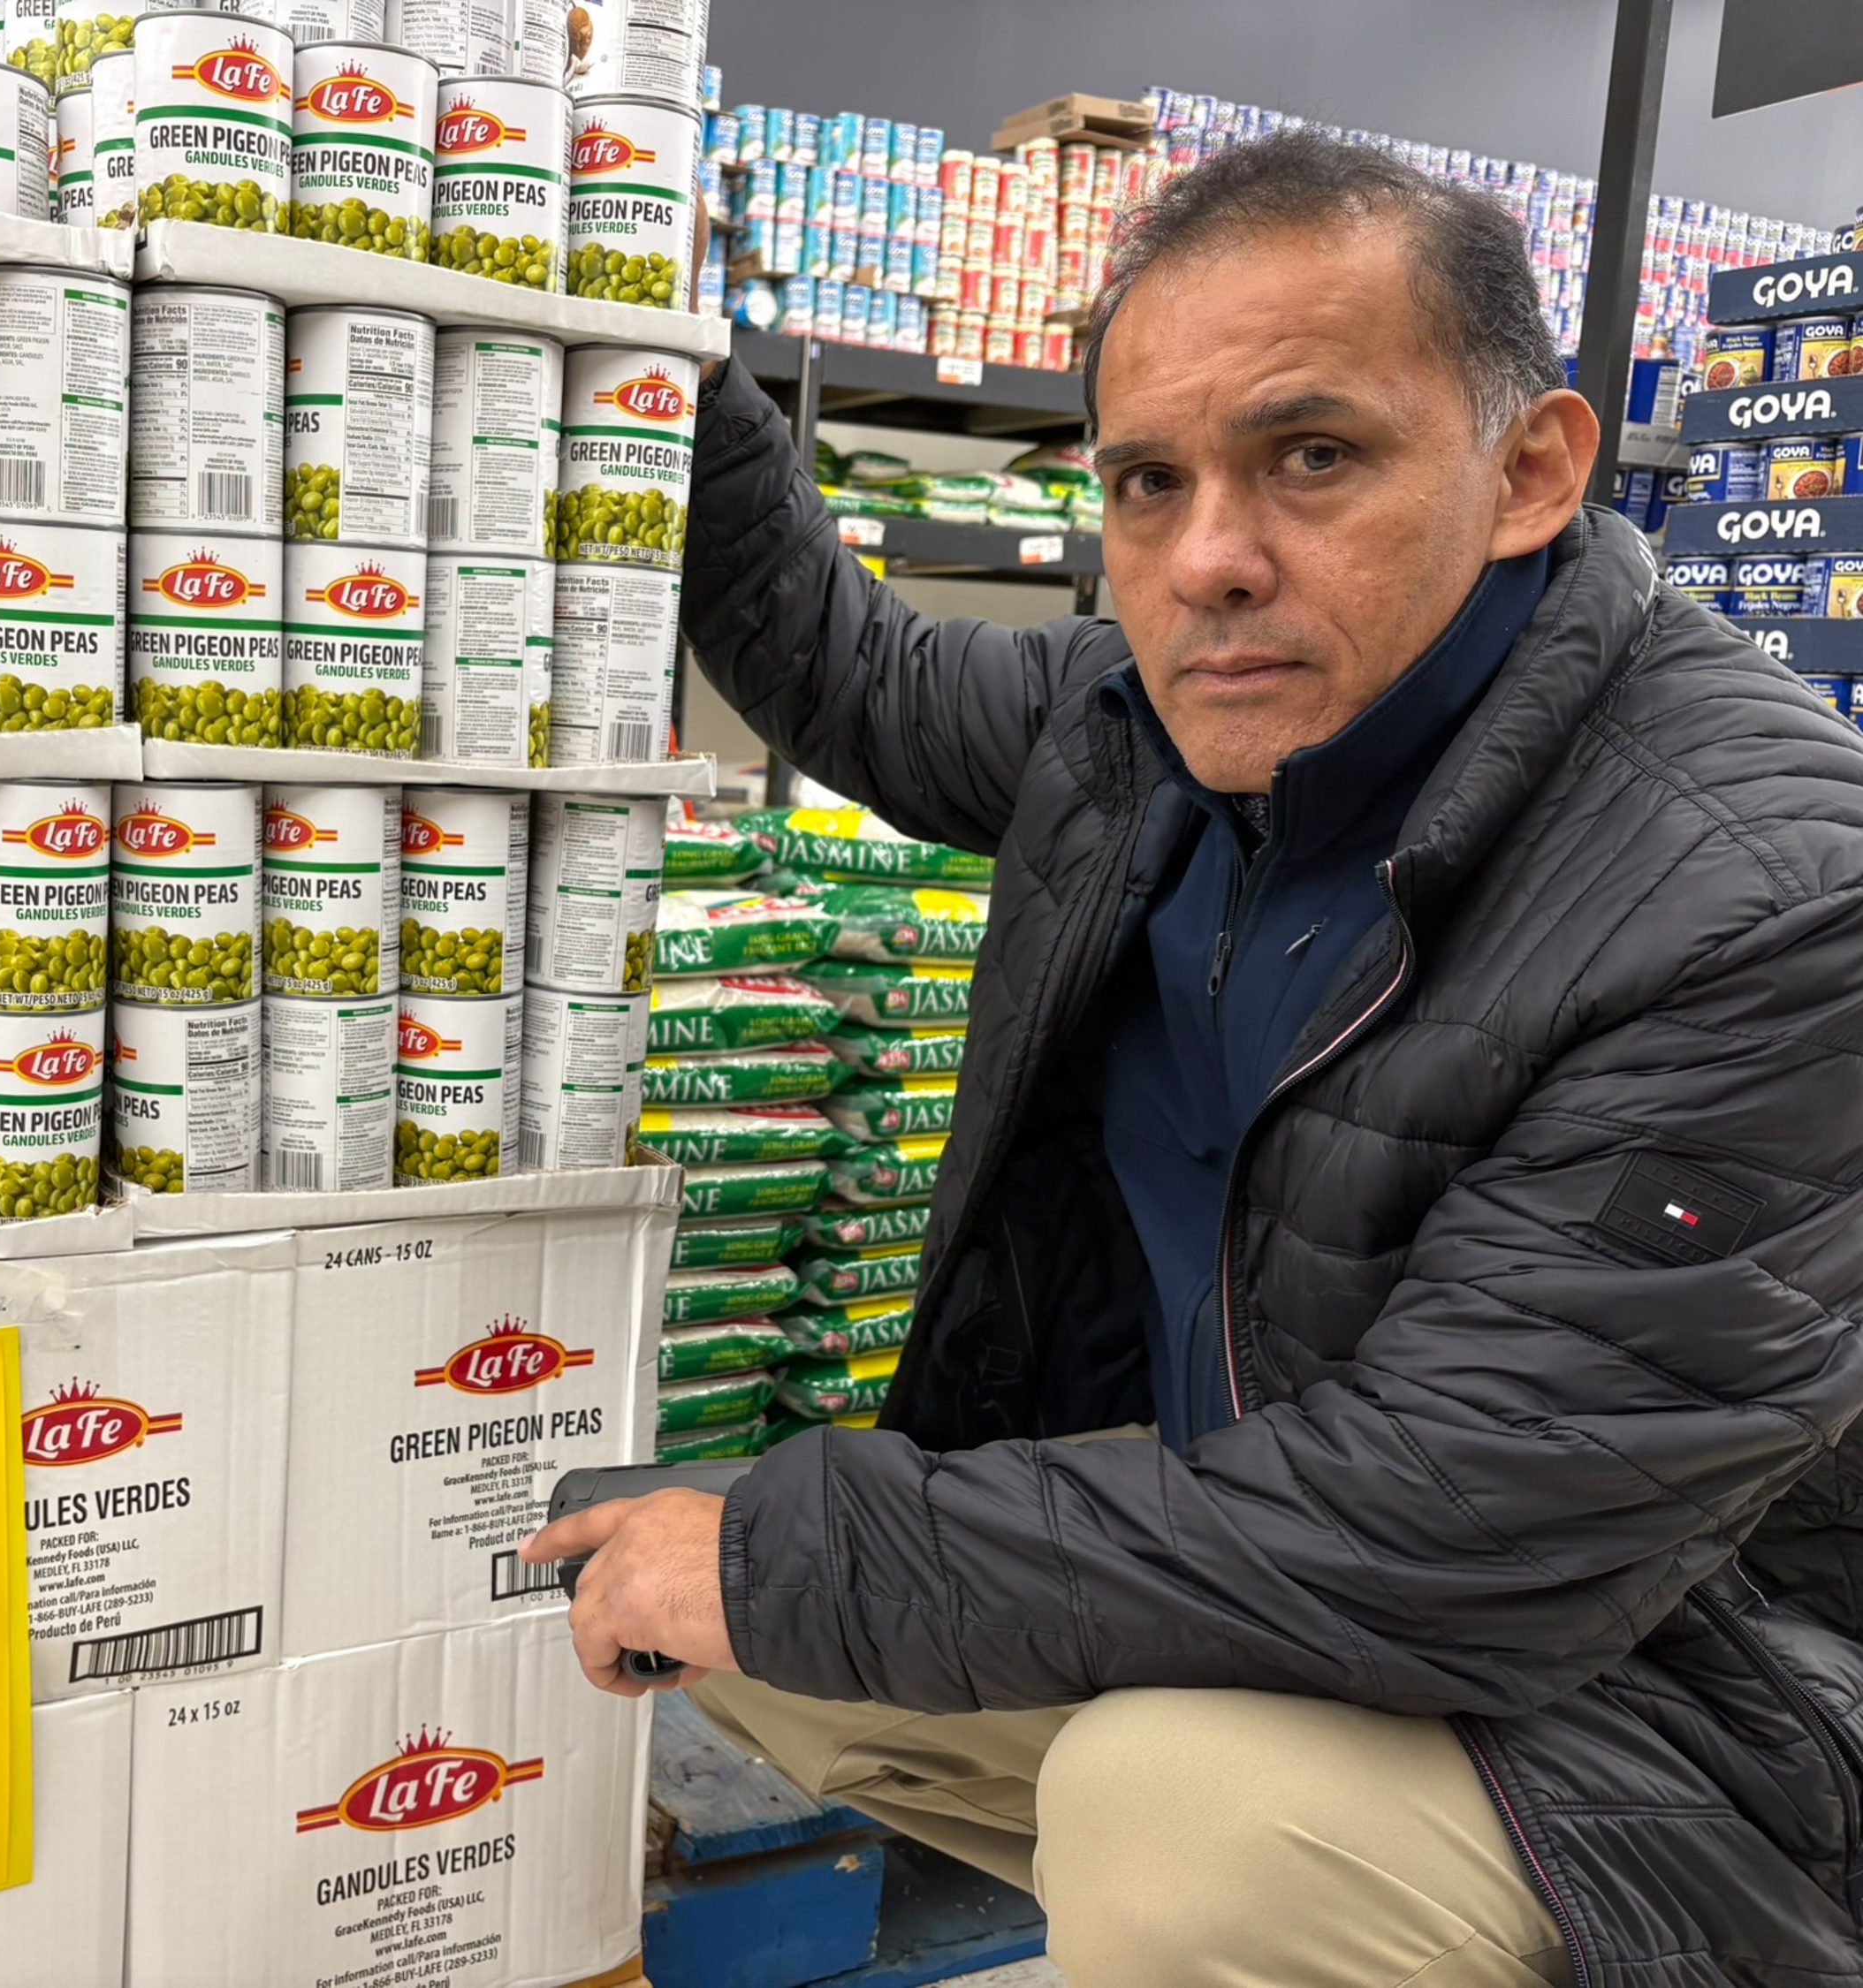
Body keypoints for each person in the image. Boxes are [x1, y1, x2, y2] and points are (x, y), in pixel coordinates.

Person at [521, 129, 1863, 1987]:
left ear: (1532, 468)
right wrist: (640, 315)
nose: (1214, 558)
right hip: (1321, 1572)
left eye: (1314, 458)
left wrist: (799, 1560)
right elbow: (854, 673)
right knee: (749, 1633)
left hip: (1692, 1709)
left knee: (1187, 1815)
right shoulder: (1146, 726)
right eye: (1149, 482)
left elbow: (1457, 1523)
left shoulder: (1767, 893)